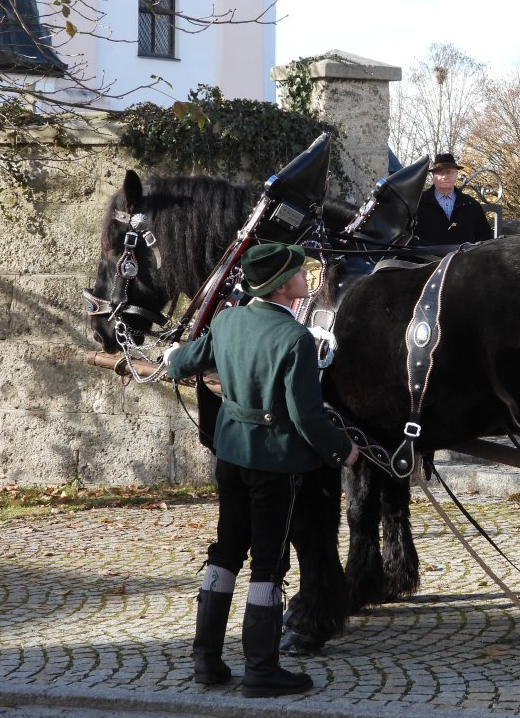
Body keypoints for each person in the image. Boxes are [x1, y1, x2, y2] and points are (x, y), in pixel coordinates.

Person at [164, 243, 358, 698]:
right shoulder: (295, 340)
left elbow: (183, 361)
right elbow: (308, 417)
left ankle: (207, 660)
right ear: (281, 284)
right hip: (275, 463)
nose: (306, 277)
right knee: (269, 562)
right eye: (299, 271)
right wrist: (342, 451)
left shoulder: (226, 320)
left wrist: (171, 356)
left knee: (227, 551)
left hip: (231, 455)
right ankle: (261, 669)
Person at [414, 152, 493, 245]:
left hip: (464, 259)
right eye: (440, 172)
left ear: (456, 174)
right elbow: (406, 239)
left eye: (449, 172)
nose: (444, 176)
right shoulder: (418, 203)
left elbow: (486, 239)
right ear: (433, 176)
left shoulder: (471, 205)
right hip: (427, 258)